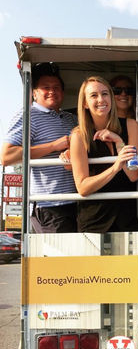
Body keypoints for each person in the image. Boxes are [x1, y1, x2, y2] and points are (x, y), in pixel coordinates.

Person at [0, 62, 78, 233]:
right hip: (49, 205)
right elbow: (6, 156)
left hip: (76, 200)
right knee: (59, 259)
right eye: (46, 87)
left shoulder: (71, 119)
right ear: (34, 93)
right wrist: (53, 146)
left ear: (63, 92)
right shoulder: (28, 115)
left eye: (56, 87)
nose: (52, 91)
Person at [69, 76, 138, 233]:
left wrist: (119, 143)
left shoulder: (130, 125)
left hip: (126, 219)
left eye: (105, 94)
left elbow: (133, 175)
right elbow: (82, 187)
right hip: (94, 222)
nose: (101, 99)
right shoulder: (78, 135)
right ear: (84, 103)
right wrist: (116, 167)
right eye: (94, 95)